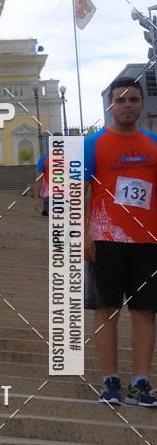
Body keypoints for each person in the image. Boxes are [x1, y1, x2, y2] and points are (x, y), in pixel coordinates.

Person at [84, 77, 157, 407]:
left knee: (144, 312)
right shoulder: (92, 144)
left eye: (133, 99)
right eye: (120, 99)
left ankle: (140, 382)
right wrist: (82, 234)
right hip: (105, 239)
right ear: (110, 105)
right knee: (106, 310)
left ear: (142, 104)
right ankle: (110, 379)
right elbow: (75, 192)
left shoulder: (154, 144)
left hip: (147, 241)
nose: (127, 105)